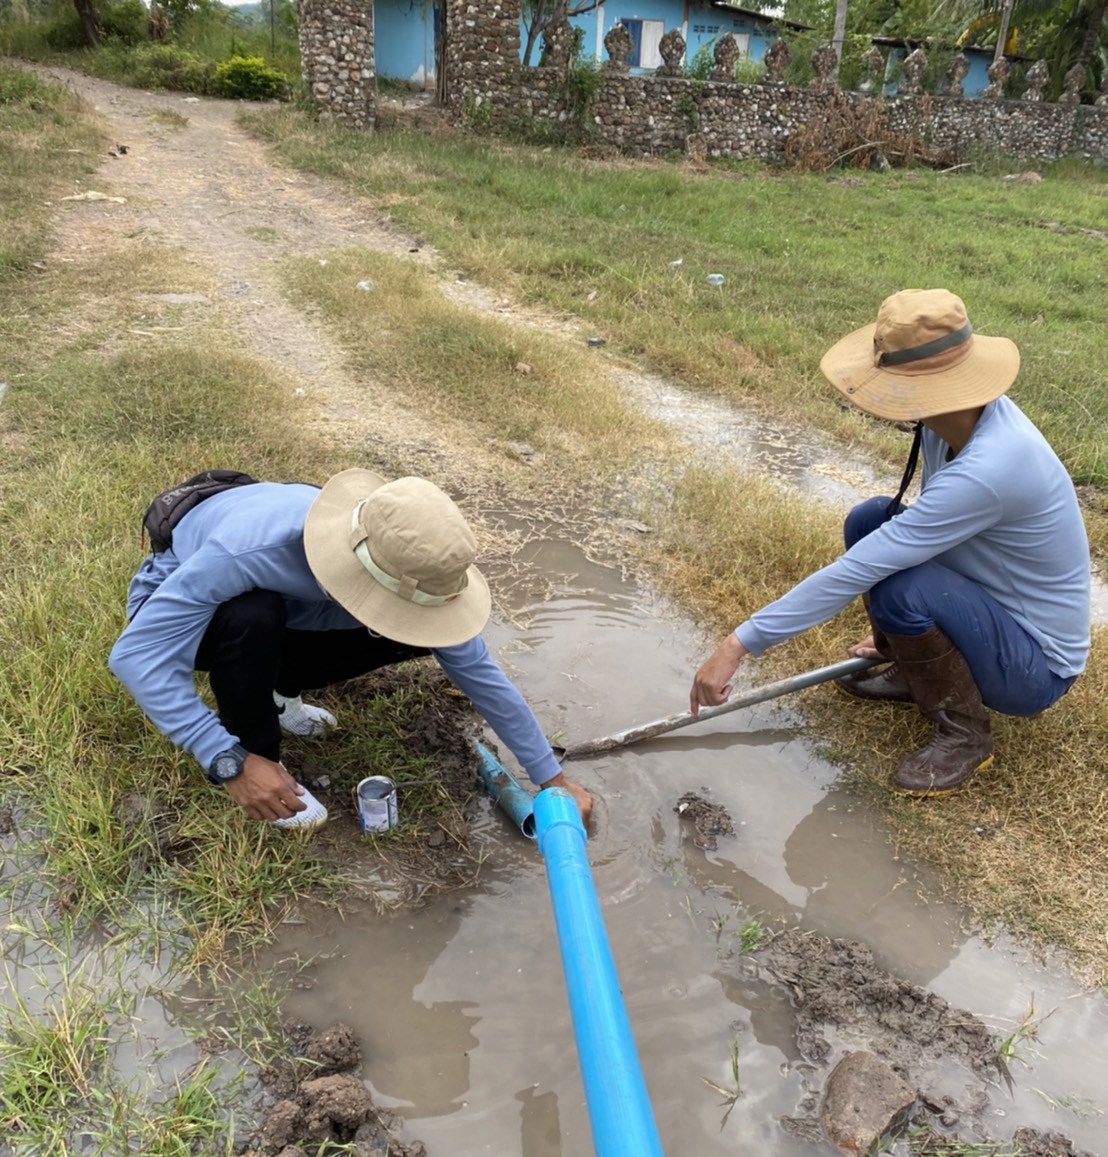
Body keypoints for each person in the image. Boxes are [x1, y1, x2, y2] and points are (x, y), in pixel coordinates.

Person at [690, 289, 1091, 797]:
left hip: (1036, 665)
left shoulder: (992, 467)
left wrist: (736, 645)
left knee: (904, 589)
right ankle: (915, 670)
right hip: (992, 605)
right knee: (870, 519)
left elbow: (862, 570)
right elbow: (901, 540)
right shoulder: (952, 421)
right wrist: (900, 640)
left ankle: (965, 736)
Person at [109, 468, 594, 830]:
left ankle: (280, 692)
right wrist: (226, 759)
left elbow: (479, 672)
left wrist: (551, 779)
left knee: (421, 631)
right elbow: (138, 655)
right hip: (200, 612)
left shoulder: (413, 560)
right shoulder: (249, 551)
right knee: (251, 616)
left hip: (295, 609)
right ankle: (261, 760)